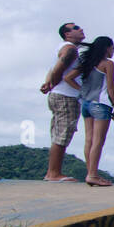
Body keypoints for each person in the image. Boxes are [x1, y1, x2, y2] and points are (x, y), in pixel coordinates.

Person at [62, 36, 114, 187]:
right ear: (107, 48)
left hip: (86, 104)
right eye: (112, 48)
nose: (113, 51)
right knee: (98, 141)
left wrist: (81, 90)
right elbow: (111, 87)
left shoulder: (86, 62)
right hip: (100, 105)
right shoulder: (108, 64)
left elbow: (68, 78)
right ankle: (92, 175)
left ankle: (90, 173)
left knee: (89, 140)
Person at [39, 22, 87, 182]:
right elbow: (58, 69)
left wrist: (50, 83)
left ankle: (52, 172)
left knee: (58, 132)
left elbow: (52, 69)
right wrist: (54, 82)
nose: (80, 29)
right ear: (67, 34)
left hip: (58, 95)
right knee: (63, 133)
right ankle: (53, 173)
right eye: (75, 28)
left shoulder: (64, 47)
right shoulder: (70, 49)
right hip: (66, 96)